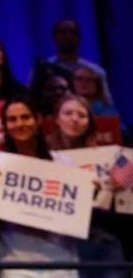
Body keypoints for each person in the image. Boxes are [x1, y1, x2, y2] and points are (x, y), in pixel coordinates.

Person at [0, 96, 80, 278]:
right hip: (17, 264)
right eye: (12, 119)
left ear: (38, 119)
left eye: (26, 117)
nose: (20, 124)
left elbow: (78, 216)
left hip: (63, 262)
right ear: (4, 126)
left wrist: (86, 194)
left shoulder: (64, 163)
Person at [45, 94, 128, 278]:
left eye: (82, 115)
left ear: (89, 122)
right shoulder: (44, 158)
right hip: (59, 243)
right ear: (56, 118)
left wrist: (113, 186)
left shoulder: (109, 158)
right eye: (68, 113)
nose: (75, 119)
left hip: (102, 242)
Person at [30, 20, 113, 104]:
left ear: (79, 38)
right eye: (63, 32)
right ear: (54, 37)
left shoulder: (95, 71)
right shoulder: (43, 69)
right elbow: (31, 100)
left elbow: (106, 103)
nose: (68, 36)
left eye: (73, 32)